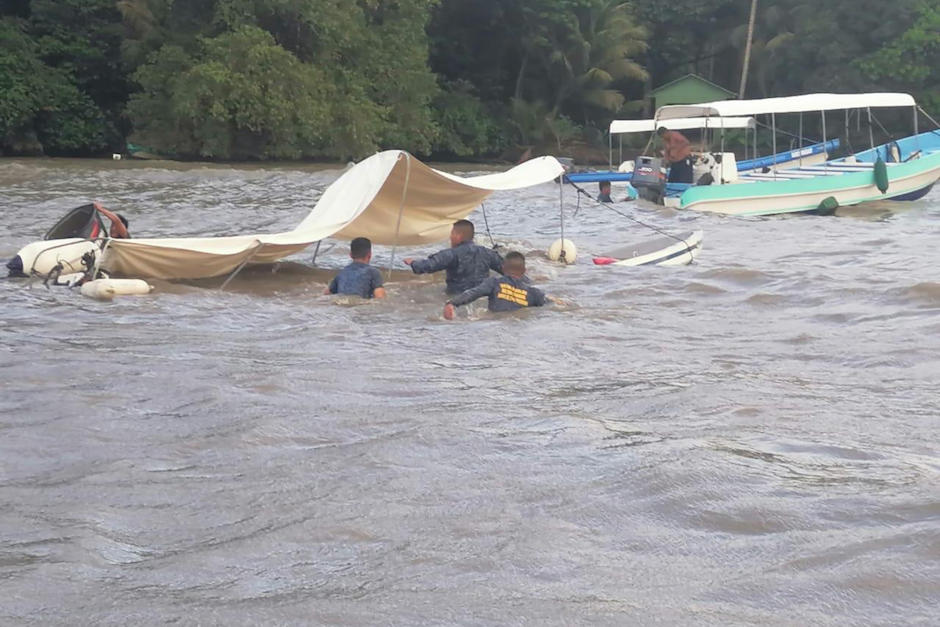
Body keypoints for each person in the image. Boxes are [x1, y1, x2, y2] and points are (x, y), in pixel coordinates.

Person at [403, 219, 503, 295]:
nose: (450, 237)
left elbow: (428, 266)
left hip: (457, 296)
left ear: (458, 236)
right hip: (482, 295)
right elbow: (510, 270)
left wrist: (412, 262)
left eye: (452, 233)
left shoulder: (451, 254)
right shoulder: (487, 253)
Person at [443, 251, 546, 320]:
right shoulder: (534, 293)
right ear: (524, 271)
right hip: (517, 320)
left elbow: (474, 293)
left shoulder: (494, 282)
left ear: (503, 268)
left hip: (495, 321)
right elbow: (550, 304)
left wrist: (452, 303)